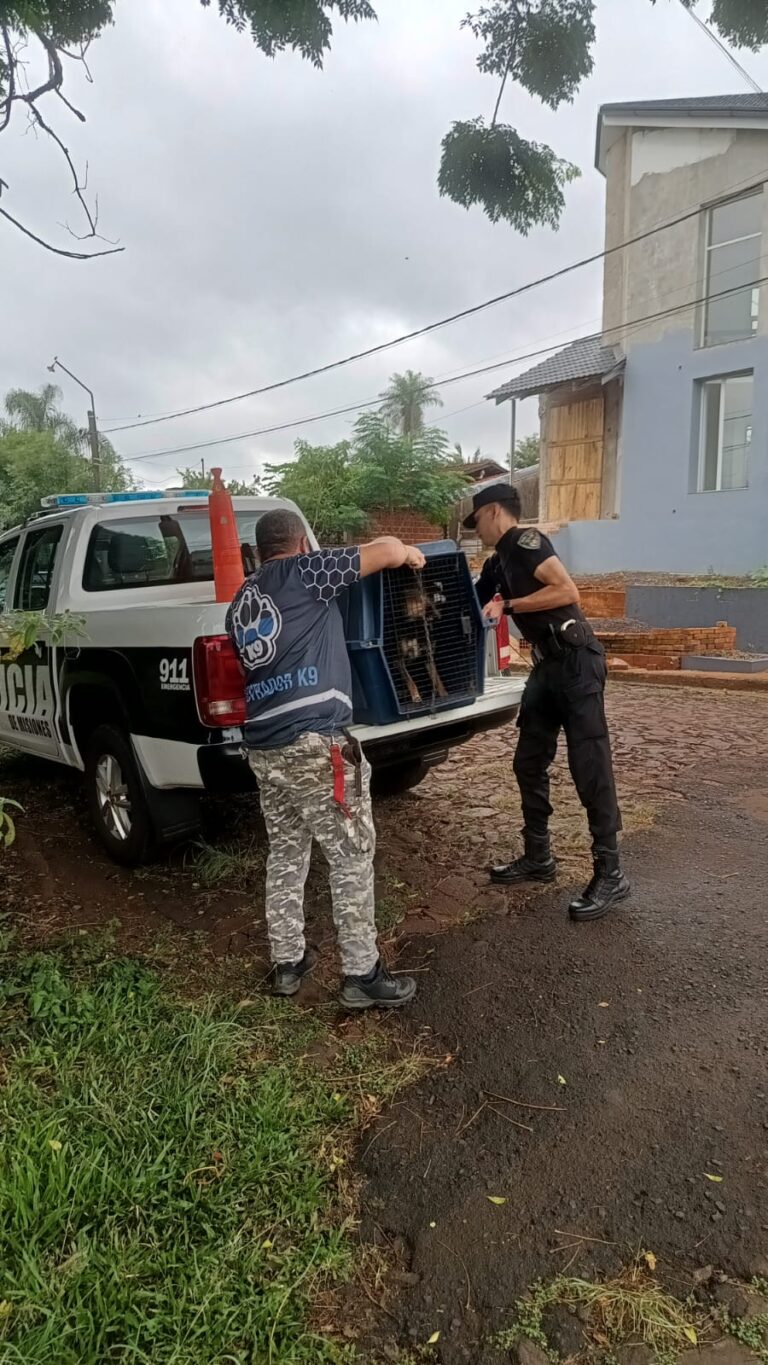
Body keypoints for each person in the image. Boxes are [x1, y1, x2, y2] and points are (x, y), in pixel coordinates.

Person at [227, 509, 425, 1007]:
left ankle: (288, 963)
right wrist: (410, 552)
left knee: (287, 853)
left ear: (258, 550)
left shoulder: (240, 603)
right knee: (352, 854)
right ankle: (362, 974)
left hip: (265, 749)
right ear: (300, 544)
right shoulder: (309, 572)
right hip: (316, 745)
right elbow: (386, 549)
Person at [465, 484, 629, 922]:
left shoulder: (525, 542)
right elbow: (470, 600)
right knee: (529, 761)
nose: (475, 527)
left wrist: (510, 606)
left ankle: (611, 873)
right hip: (545, 669)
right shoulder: (497, 562)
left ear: (495, 511)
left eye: (476, 518)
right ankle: (538, 857)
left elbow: (566, 591)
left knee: (589, 766)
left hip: (576, 663)